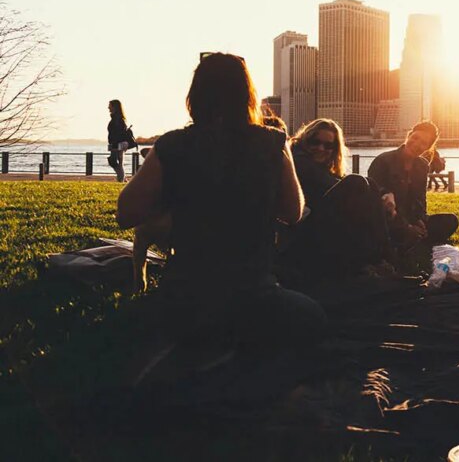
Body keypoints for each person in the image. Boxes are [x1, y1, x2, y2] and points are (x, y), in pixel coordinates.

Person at [116, 53, 325, 374]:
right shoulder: (272, 143)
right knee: (312, 316)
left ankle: (205, 351)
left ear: (194, 96)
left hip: (186, 297)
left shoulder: (172, 146)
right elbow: (293, 212)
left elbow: (126, 213)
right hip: (253, 296)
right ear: (248, 95)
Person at [278, 118, 393, 288]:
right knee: (357, 183)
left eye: (328, 145)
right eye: (315, 142)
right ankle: (382, 256)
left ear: (334, 149)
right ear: (305, 139)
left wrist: (383, 194)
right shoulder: (298, 160)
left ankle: (382, 254)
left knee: (370, 184)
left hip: (317, 227)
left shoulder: (319, 167)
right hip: (300, 233)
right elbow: (333, 184)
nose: (321, 148)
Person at [367, 121, 458, 252]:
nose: (416, 144)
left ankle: (413, 238)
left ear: (427, 148)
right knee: (386, 227)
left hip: (409, 217)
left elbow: (420, 199)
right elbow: (377, 201)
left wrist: (420, 220)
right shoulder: (383, 160)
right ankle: (406, 239)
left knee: (450, 220)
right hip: (387, 218)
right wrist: (407, 227)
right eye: (415, 138)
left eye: (423, 143)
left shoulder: (423, 165)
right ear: (409, 135)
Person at [107, 100, 130, 182]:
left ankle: (121, 178)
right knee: (116, 161)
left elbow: (118, 133)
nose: (108, 107)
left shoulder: (118, 119)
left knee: (114, 161)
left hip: (117, 144)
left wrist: (115, 145)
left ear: (114, 107)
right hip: (115, 143)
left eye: (110, 105)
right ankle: (122, 178)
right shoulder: (116, 118)